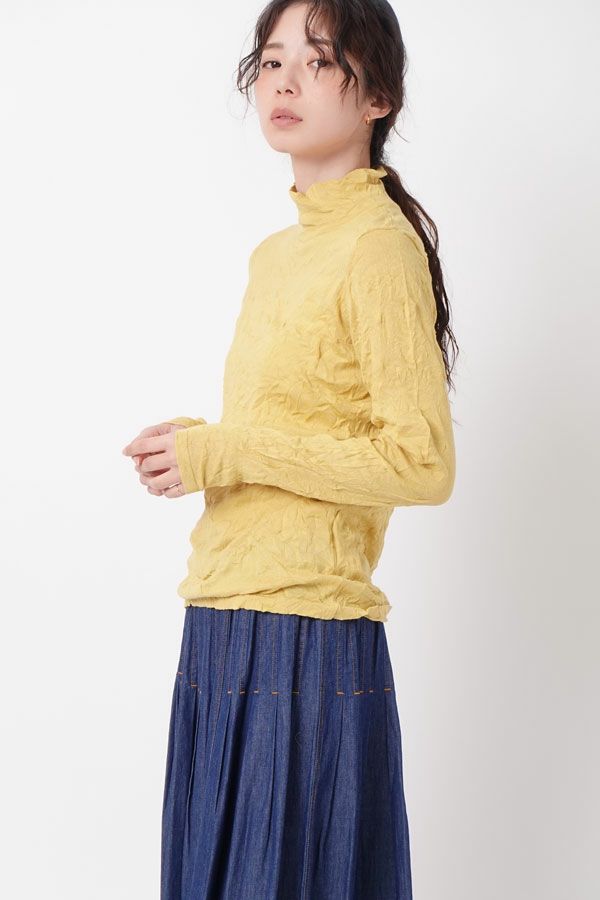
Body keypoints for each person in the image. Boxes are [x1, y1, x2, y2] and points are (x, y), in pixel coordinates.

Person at [122, 1, 458, 897]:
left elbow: (421, 462)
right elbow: (295, 428)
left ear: (378, 96)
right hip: (222, 610)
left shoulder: (377, 247)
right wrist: (202, 444)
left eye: (318, 60)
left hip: (306, 633)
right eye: (272, 61)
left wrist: (228, 452)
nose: (286, 80)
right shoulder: (276, 255)